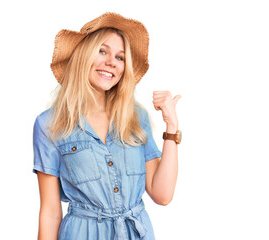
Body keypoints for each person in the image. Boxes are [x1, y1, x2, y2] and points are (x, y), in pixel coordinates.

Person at [32, 12, 182, 240]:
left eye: (120, 57)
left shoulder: (136, 118)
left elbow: (162, 195)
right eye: (102, 51)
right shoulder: (49, 124)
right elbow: (51, 213)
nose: (111, 62)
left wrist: (172, 127)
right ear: (83, 56)